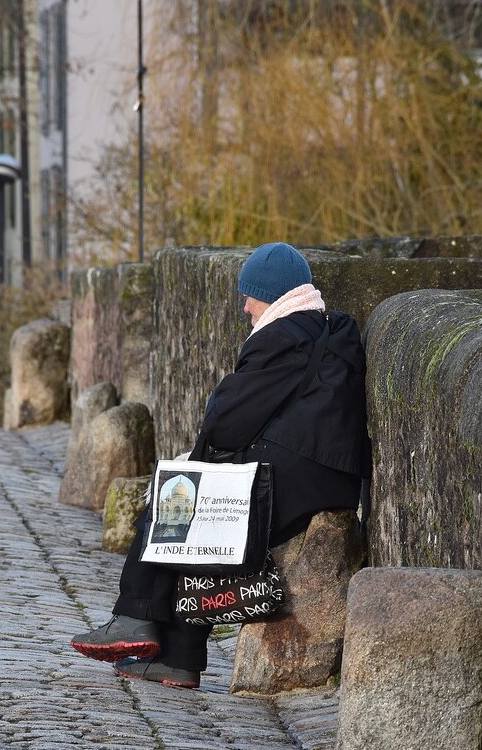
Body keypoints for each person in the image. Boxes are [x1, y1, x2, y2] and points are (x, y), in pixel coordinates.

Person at [70, 242, 370, 688]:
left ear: (274, 295)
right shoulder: (334, 329)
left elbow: (225, 422)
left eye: (251, 295)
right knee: (202, 511)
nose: (246, 306)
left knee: (177, 499)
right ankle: (176, 658)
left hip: (294, 485)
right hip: (331, 479)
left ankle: (135, 616)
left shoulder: (281, 337)